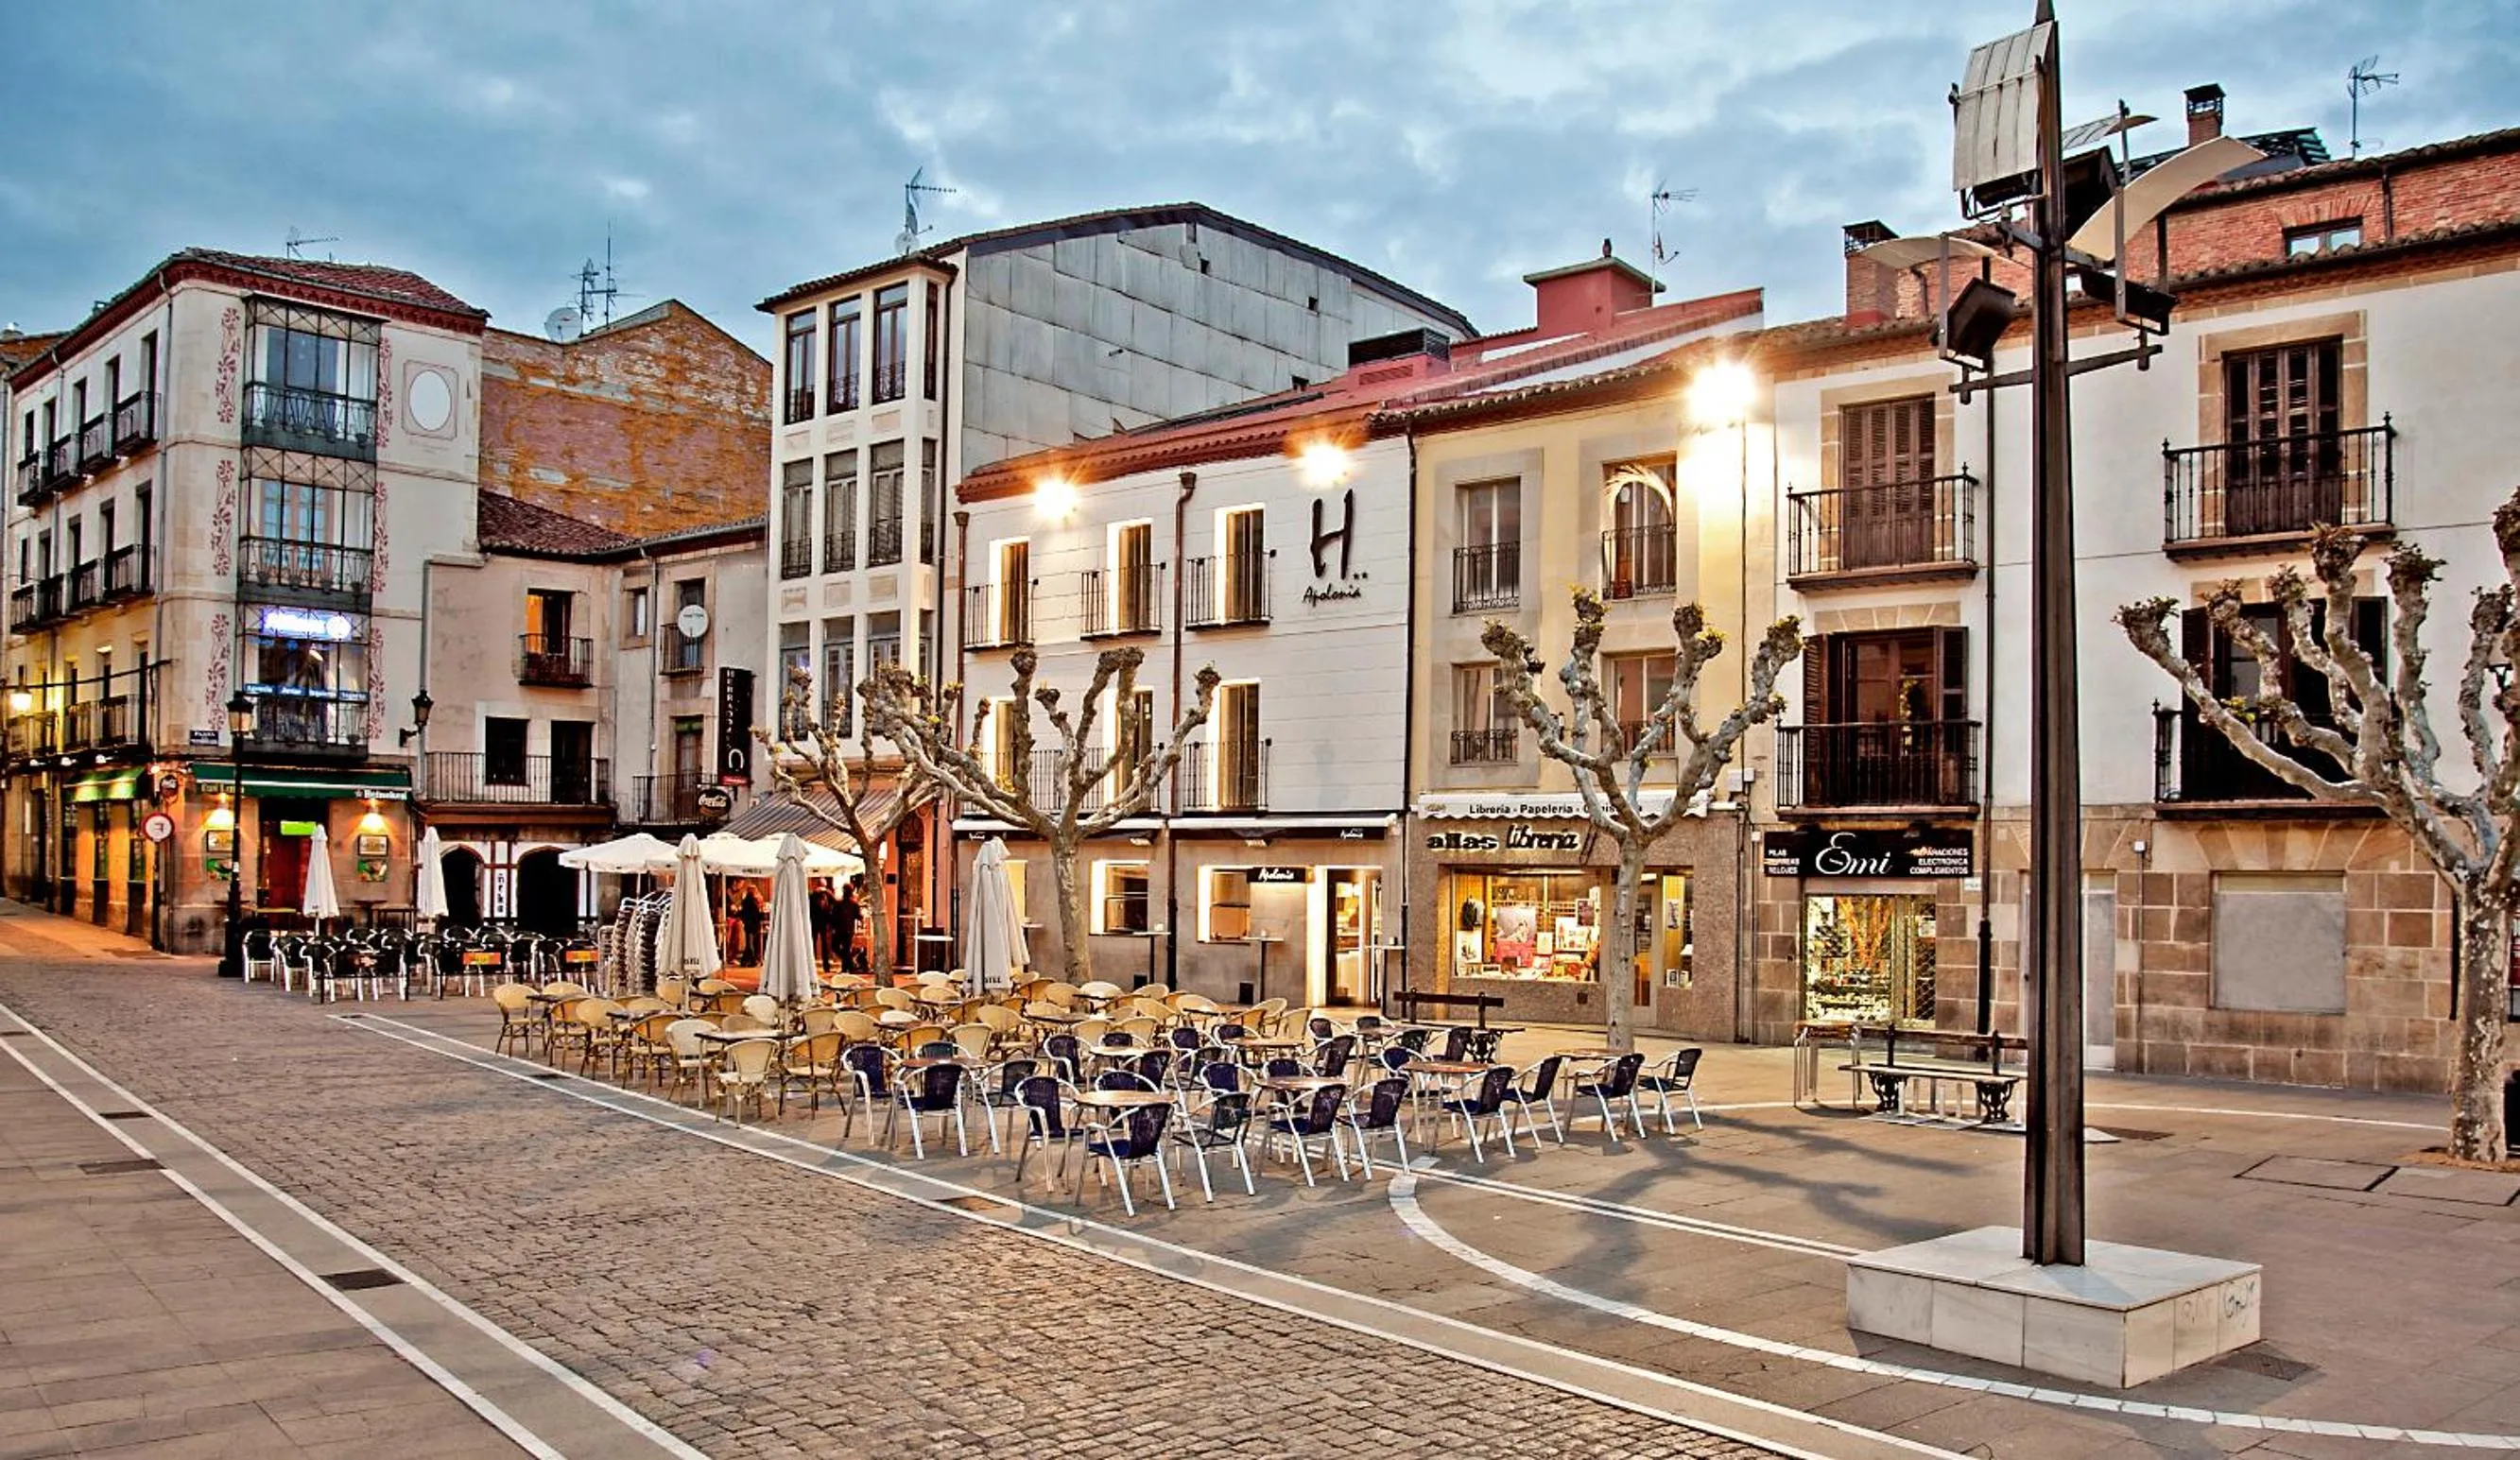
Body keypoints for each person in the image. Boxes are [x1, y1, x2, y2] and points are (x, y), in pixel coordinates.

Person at [837, 879, 865, 975]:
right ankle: (850, 965)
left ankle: (846, 968)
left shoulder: (840, 903)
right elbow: (859, 916)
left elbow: (833, 916)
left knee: (840, 948)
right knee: (844, 949)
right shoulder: (852, 904)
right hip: (848, 929)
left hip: (841, 929)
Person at [734, 886, 766, 966]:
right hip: (753, 925)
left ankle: (746, 961)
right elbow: (756, 914)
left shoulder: (746, 901)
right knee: (751, 945)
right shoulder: (753, 901)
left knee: (749, 944)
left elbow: (743, 912)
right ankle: (752, 961)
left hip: (748, 924)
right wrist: (762, 913)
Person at [809, 885, 838, 970]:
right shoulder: (827, 894)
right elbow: (835, 902)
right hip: (824, 921)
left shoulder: (812, 895)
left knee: (813, 942)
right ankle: (826, 965)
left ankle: (812, 964)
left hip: (814, 921)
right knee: (824, 943)